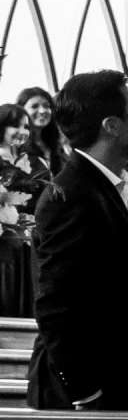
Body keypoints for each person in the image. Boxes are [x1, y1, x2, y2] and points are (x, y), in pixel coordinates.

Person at [27, 71, 128, 409]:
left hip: (116, 376)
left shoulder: (112, 185)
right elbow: (54, 305)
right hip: (81, 392)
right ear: (111, 125)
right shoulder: (70, 195)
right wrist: (84, 390)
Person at [0, 102, 39, 316]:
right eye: (16, 126)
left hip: (26, 238)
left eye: (26, 127)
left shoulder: (34, 161)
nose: (23, 132)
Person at [16, 85, 63, 179]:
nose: (42, 111)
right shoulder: (14, 148)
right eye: (34, 106)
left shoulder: (55, 143)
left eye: (46, 106)